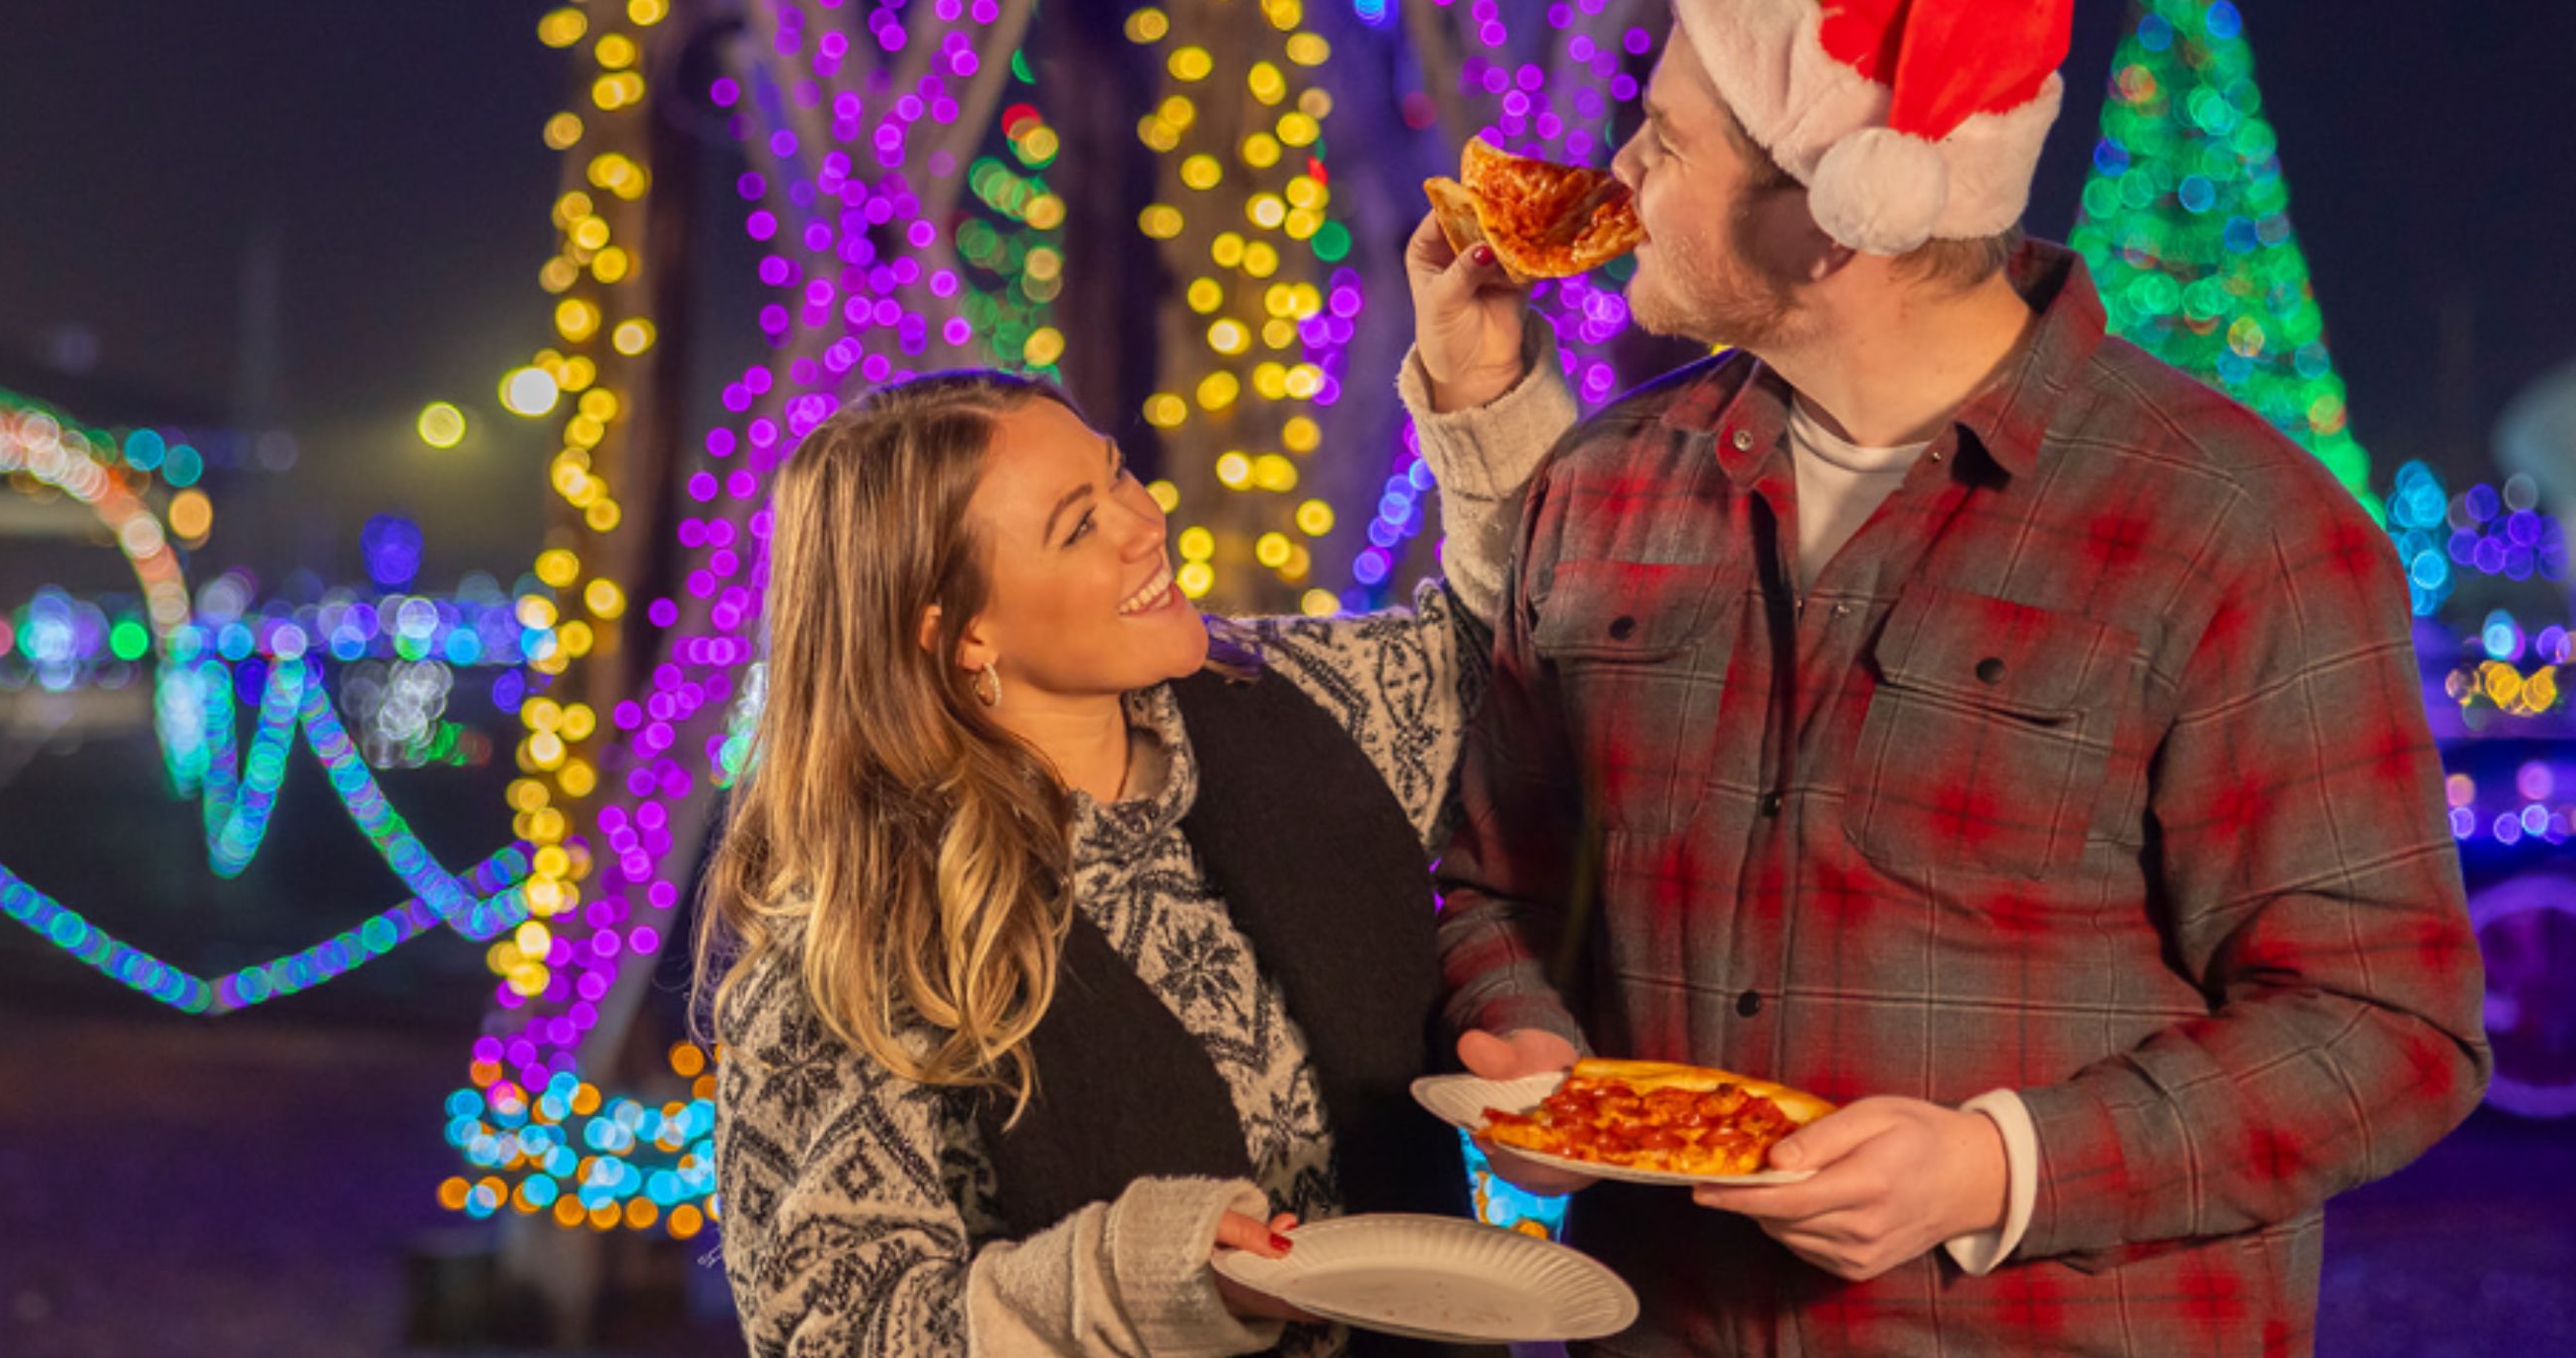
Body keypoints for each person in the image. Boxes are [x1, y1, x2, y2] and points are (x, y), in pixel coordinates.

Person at [1432, 2, 2491, 1353]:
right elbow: (1499, 882)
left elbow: (2386, 1026)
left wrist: (1999, 1168)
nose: (1619, 172)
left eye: (1668, 143)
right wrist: (1525, 1044)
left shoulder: (2240, 530)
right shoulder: (1599, 491)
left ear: (1833, 218)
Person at [699, 214, 1577, 1354]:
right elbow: (841, 1329)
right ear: (959, 633)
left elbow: (1500, 649)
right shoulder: (852, 952)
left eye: (1114, 476)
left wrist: (1479, 380)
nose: (1143, 522)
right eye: (1078, 527)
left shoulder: (1282, 700)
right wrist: (1145, 1278)